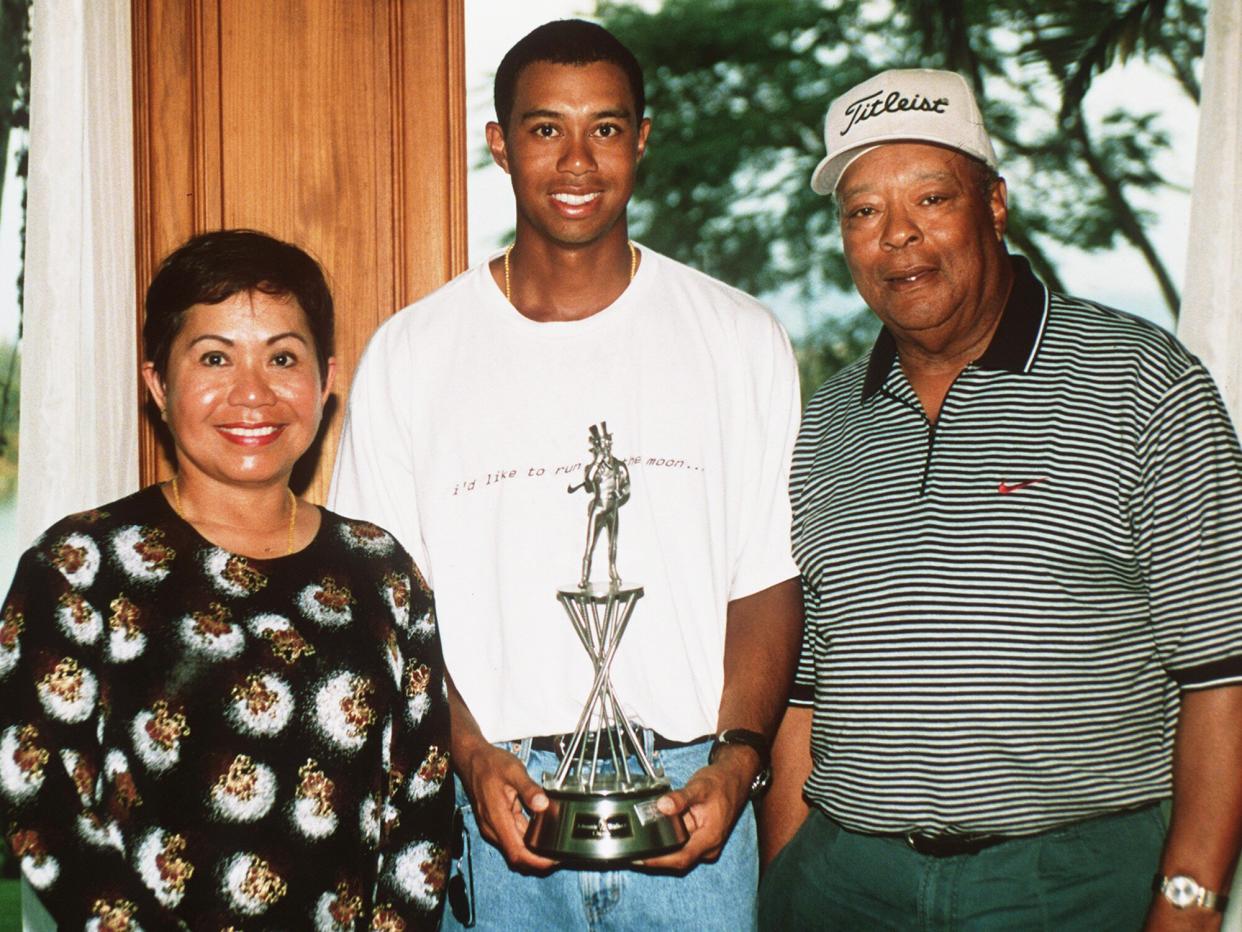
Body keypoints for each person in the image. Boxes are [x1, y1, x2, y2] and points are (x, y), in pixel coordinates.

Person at [330, 19, 803, 931]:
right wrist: (467, 755)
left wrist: (736, 764)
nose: (578, 160)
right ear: (500, 144)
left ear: (643, 137)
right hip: (491, 812)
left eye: (606, 128)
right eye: (546, 129)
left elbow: (767, 579)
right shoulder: (414, 354)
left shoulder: (738, 336)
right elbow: (385, 606)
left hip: (690, 806)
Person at [758, 68, 1242, 931]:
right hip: (844, 883)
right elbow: (803, 690)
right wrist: (788, 874)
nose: (897, 237)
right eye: (863, 211)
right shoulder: (824, 422)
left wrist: (1192, 900)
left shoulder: (1142, 383)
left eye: (931, 197)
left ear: (994, 204)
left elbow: (1224, 670)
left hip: (1071, 885)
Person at [0, 230, 453, 929]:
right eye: (214, 357)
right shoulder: (78, 567)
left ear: (325, 381)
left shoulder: (382, 573)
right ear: (157, 380)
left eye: (282, 358)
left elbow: (419, 814)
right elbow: (40, 799)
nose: (253, 392)